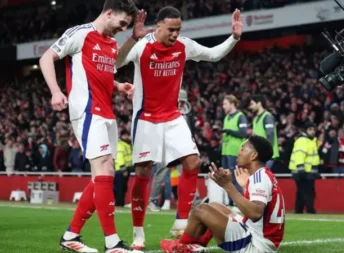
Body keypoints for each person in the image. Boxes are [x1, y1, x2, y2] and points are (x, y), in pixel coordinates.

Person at [115, 6, 243, 249]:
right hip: (146, 119)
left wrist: (234, 37)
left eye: (178, 29)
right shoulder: (142, 46)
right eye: (171, 29)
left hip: (173, 117)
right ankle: (138, 234)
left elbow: (213, 55)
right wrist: (132, 38)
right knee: (143, 173)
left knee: (193, 163)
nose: (175, 34)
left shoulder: (184, 46)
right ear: (159, 26)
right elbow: (116, 62)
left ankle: (182, 220)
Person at [39, 0, 151, 252]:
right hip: (87, 112)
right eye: (121, 23)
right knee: (105, 169)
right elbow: (47, 57)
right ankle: (112, 242)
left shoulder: (110, 43)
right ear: (109, 13)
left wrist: (119, 85)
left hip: (106, 112)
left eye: (126, 26)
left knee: (103, 175)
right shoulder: (80, 34)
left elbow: (110, 67)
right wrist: (56, 92)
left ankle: (71, 236)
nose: (121, 29)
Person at [160, 135, 285, 253]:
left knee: (201, 210)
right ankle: (198, 244)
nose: (239, 152)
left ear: (253, 155)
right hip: (259, 237)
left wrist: (228, 186)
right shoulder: (263, 175)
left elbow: (255, 213)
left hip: (256, 245)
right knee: (215, 206)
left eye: (242, 149)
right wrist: (245, 188)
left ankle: (182, 247)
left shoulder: (260, 177)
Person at [221, 95, 248, 205]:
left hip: (236, 152)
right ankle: (231, 202)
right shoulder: (226, 118)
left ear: (232, 104)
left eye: (225, 104)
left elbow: (243, 133)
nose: (223, 107)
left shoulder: (240, 116)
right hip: (226, 151)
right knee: (226, 178)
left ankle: (239, 202)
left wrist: (228, 130)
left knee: (236, 178)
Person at [289, 121, 319, 214]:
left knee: (301, 192)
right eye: (310, 129)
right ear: (306, 131)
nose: (313, 131)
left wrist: (315, 171)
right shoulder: (303, 140)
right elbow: (299, 155)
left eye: (314, 129)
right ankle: (310, 209)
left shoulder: (311, 141)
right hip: (302, 171)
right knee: (308, 192)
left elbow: (312, 158)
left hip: (306, 171)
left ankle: (299, 210)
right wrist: (301, 168)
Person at [249, 94, 279, 169]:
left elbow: (270, 135)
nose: (250, 106)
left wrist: (267, 153)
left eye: (252, 104)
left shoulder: (267, 117)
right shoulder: (255, 119)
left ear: (259, 104)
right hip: (259, 155)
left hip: (266, 156)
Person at [114, 130, 133, 207]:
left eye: (127, 135)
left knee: (123, 188)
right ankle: (119, 203)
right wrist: (123, 169)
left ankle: (120, 202)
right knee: (120, 188)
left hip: (126, 169)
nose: (126, 137)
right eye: (124, 135)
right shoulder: (120, 145)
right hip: (121, 170)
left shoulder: (127, 145)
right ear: (121, 136)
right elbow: (119, 158)